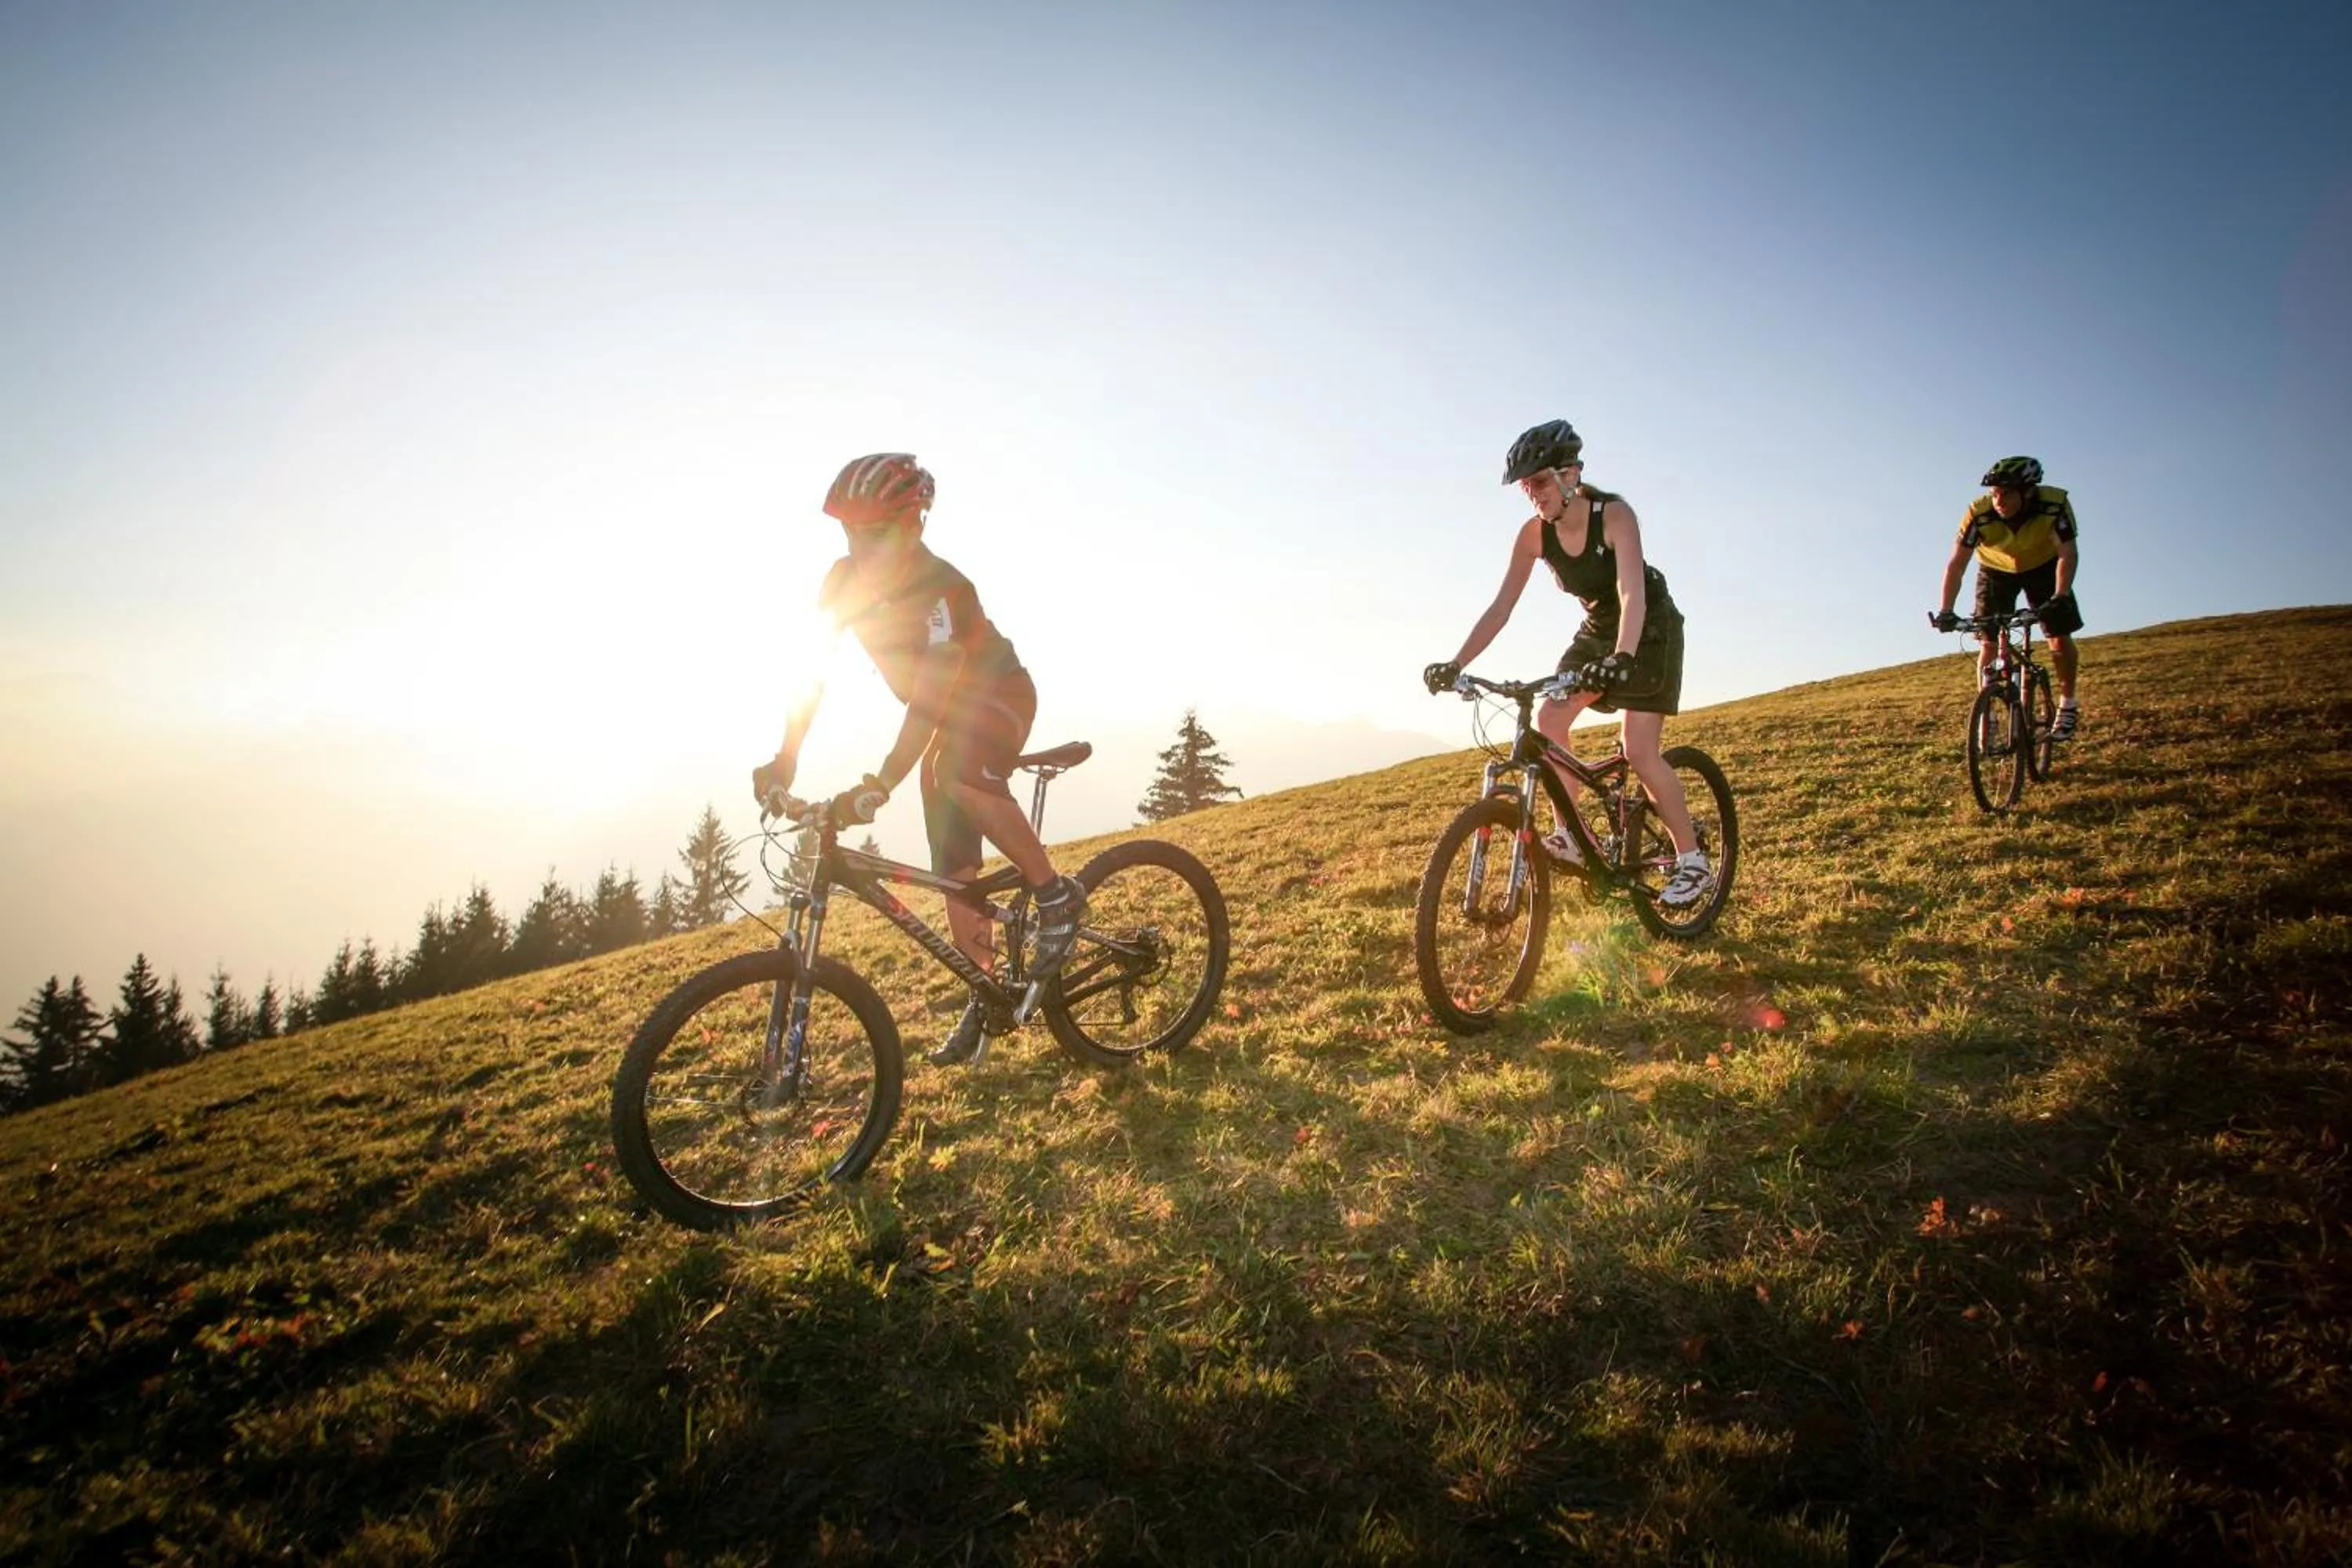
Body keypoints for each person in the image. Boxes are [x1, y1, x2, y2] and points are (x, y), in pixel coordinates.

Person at [752, 452, 1085, 1066]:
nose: (859, 547)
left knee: (952, 769)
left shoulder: (944, 590)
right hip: (946, 719)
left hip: (997, 698)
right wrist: (785, 759)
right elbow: (812, 675)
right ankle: (985, 995)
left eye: (874, 533)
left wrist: (882, 782)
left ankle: (1056, 894)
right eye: (849, 531)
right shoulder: (840, 582)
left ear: (916, 526)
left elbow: (932, 702)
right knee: (954, 868)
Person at [1422, 419, 1712, 908]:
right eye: (1526, 488)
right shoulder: (1534, 535)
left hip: (1650, 627)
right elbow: (1500, 609)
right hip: (1598, 630)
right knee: (1550, 716)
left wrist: (1622, 657)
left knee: (1639, 750)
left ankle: (1692, 862)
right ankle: (1572, 837)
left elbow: (1631, 593)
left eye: (1538, 483)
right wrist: (1455, 663)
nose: (1532, 495)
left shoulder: (1614, 516)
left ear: (1570, 475)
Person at [1933, 456, 2083, 739]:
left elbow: (2068, 553)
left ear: (2028, 492)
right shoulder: (1978, 513)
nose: (1998, 501)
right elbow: (1957, 564)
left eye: (2006, 494)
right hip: (1996, 570)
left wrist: (2061, 594)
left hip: (2044, 566)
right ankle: (1986, 715)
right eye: (1995, 493)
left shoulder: (2054, 505)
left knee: (2058, 636)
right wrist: (1946, 610)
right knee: (1988, 641)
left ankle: (2067, 706)